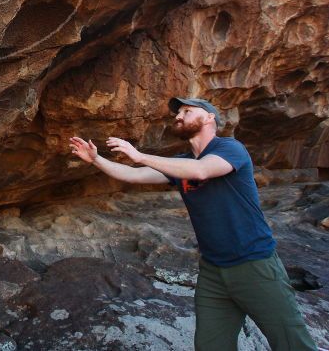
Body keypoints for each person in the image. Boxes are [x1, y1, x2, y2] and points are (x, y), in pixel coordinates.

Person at [69, 97, 317, 351]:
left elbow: (201, 171)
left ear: (210, 118)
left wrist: (139, 155)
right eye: (178, 113)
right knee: (211, 346)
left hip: (254, 264)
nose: (179, 116)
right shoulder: (181, 162)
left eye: (187, 111)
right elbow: (133, 175)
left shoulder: (230, 148)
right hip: (213, 271)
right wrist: (96, 160)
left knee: (292, 343)